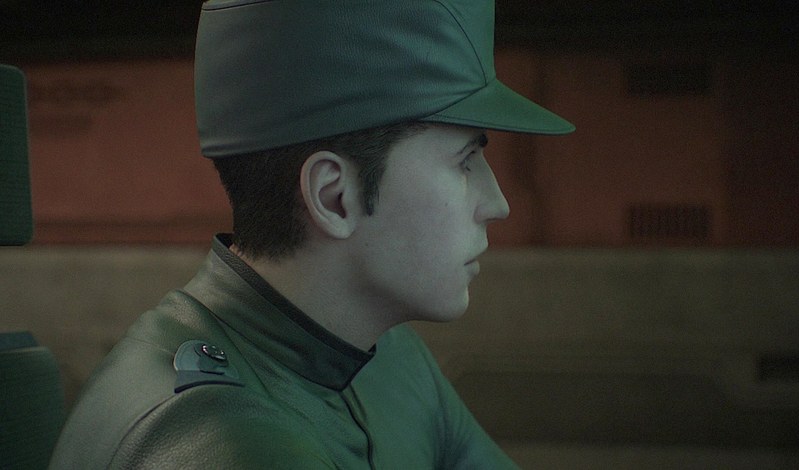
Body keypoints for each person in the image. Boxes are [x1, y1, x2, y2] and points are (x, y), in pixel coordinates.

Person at [49, 0, 574, 468]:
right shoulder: (218, 442)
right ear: (334, 197)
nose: (498, 204)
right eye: (465, 161)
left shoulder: (388, 357)